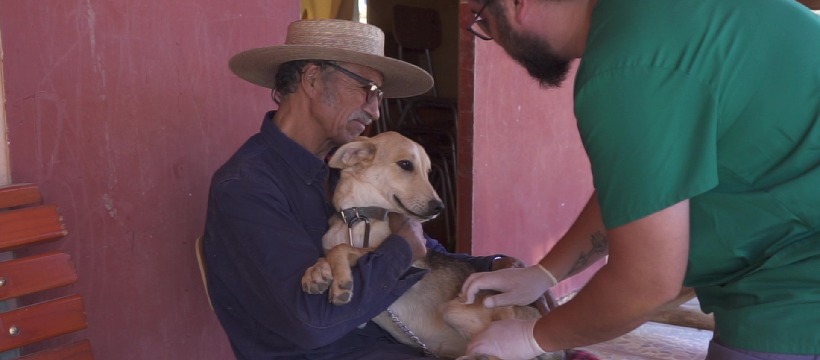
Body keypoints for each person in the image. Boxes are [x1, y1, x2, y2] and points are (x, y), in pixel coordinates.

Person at [458, 0, 820, 359]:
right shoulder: (648, 20)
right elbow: (642, 191)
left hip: (799, 292)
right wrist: (545, 274)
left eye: (482, 20)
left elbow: (647, 284)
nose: (491, 38)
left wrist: (533, 336)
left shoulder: (625, 64)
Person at [201, 19, 520, 360]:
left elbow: (425, 255)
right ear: (311, 79)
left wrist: (495, 268)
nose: (375, 109)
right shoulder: (248, 187)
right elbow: (312, 323)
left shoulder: (347, 171)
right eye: (366, 88)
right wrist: (399, 250)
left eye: (379, 96)